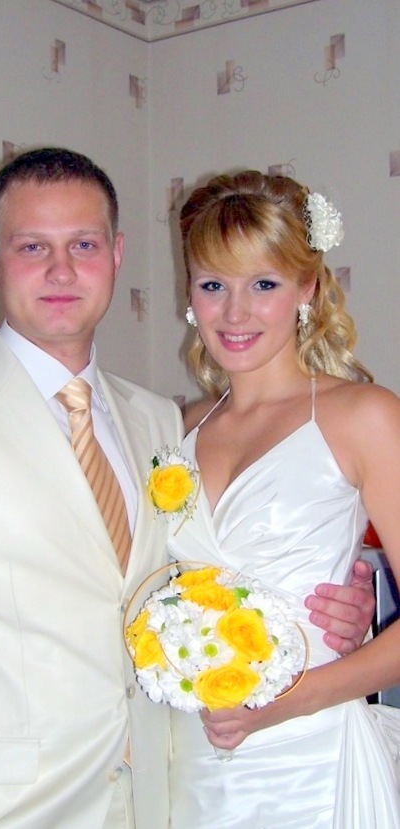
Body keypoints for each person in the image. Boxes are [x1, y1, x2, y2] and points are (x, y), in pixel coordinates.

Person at [0, 149, 374, 829]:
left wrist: (338, 611)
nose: (61, 270)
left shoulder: (157, 422)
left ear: (115, 255)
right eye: (32, 246)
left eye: (83, 245)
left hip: (155, 796)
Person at [167, 169, 400, 828]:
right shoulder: (176, 429)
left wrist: (286, 700)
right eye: (213, 285)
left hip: (310, 765)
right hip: (189, 767)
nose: (234, 313)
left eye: (263, 285)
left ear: (307, 288)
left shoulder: (363, 415)